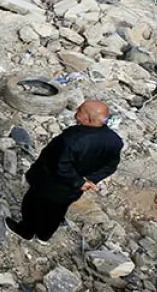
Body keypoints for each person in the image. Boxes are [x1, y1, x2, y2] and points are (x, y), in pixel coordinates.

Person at [8, 100, 123, 242]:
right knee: (56, 212)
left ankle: (26, 231)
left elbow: (61, 166)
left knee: (32, 205)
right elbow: (110, 166)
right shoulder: (115, 140)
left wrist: (78, 182)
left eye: (80, 110)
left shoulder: (72, 139)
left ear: (87, 118)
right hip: (71, 191)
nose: (76, 110)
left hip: (49, 184)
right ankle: (44, 236)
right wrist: (89, 180)